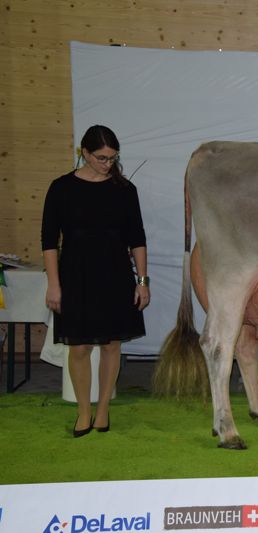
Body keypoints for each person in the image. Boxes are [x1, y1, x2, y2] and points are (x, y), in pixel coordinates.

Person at [41, 125, 149, 438]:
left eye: (113, 158)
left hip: (116, 275)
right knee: (79, 348)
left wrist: (142, 281)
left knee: (112, 345)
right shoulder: (61, 188)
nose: (108, 164)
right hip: (75, 276)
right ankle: (83, 411)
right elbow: (49, 241)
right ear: (84, 153)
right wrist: (53, 284)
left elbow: (137, 238)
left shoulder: (125, 190)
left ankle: (102, 409)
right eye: (102, 158)